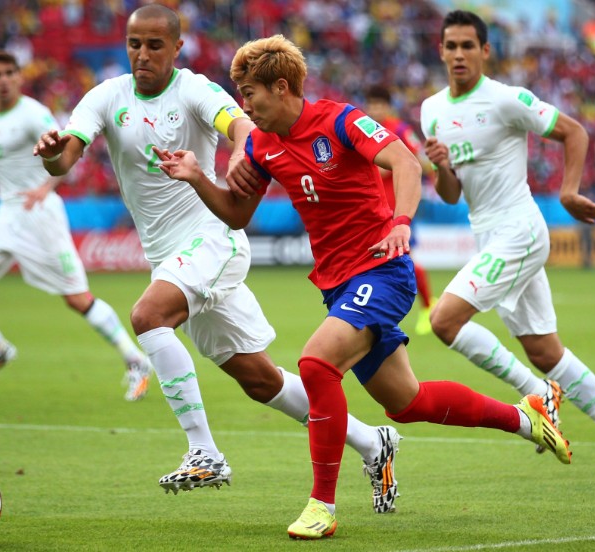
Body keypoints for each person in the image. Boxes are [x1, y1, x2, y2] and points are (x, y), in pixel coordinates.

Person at [155, 33, 571, 541]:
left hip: (382, 270)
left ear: (281, 87)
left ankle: (321, 506)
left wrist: (400, 221)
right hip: (337, 284)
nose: (245, 106)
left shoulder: (342, 120)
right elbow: (238, 216)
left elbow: (406, 163)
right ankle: (527, 417)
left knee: (315, 363)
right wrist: (198, 178)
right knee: (407, 402)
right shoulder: (262, 145)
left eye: (249, 94)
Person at [33, 5, 402, 507]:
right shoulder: (105, 97)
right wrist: (54, 149)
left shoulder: (195, 89)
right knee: (259, 379)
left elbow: (243, 129)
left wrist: (236, 154)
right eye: (134, 44)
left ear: (177, 47)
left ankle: (203, 451)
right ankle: (371, 441)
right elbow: (66, 157)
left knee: (148, 316)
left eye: (155, 45)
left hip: (212, 238)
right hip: (167, 256)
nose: (143, 54)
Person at [420, 10, 595, 480]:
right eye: (452, 46)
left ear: (486, 51)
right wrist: (442, 166)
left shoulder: (506, 100)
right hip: (488, 231)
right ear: (441, 50)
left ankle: (538, 393)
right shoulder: (432, 111)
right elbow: (451, 194)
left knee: (445, 321)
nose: (459, 54)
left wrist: (567, 192)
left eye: (469, 45)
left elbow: (575, 131)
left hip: (519, 229)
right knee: (546, 350)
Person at [0, 50, 153, 402]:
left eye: (10, 72)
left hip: (41, 215)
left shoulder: (34, 114)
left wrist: (45, 186)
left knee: (77, 298)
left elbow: (69, 151)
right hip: (7, 213)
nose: (4, 79)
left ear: (18, 77)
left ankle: (136, 361)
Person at [363, 85, 436, 335]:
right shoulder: (363, 130)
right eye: (371, 104)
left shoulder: (400, 130)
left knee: (404, 258)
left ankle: (428, 306)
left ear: (388, 106)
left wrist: (393, 168)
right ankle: (378, 314)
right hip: (372, 209)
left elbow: (421, 163)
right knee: (376, 262)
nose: (374, 110)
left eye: (379, 104)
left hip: (398, 210)